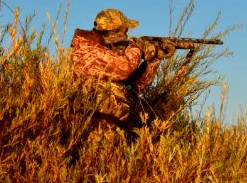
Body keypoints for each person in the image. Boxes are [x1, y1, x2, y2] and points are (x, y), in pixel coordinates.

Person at [70, 9, 175, 140]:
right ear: (114, 30)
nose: (127, 34)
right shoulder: (86, 50)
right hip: (92, 130)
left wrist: (154, 59)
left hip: (114, 129)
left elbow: (135, 87)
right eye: (125, 30)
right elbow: (124, 68)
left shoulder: (108, 55)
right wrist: (137, 47)